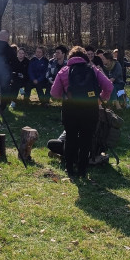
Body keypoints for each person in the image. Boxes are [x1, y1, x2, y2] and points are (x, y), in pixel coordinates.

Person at [50, 45, 113, 178]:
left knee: (70, 138)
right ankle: (82, 170)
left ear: (70, 58)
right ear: (85, 58)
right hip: (90, 109)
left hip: (70, 109)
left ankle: (69, 168)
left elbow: (54, 93)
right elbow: (109, 86)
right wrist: (100, 100)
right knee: (86, 140)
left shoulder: (64, 71)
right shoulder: (93, 70)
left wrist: (64, 96)